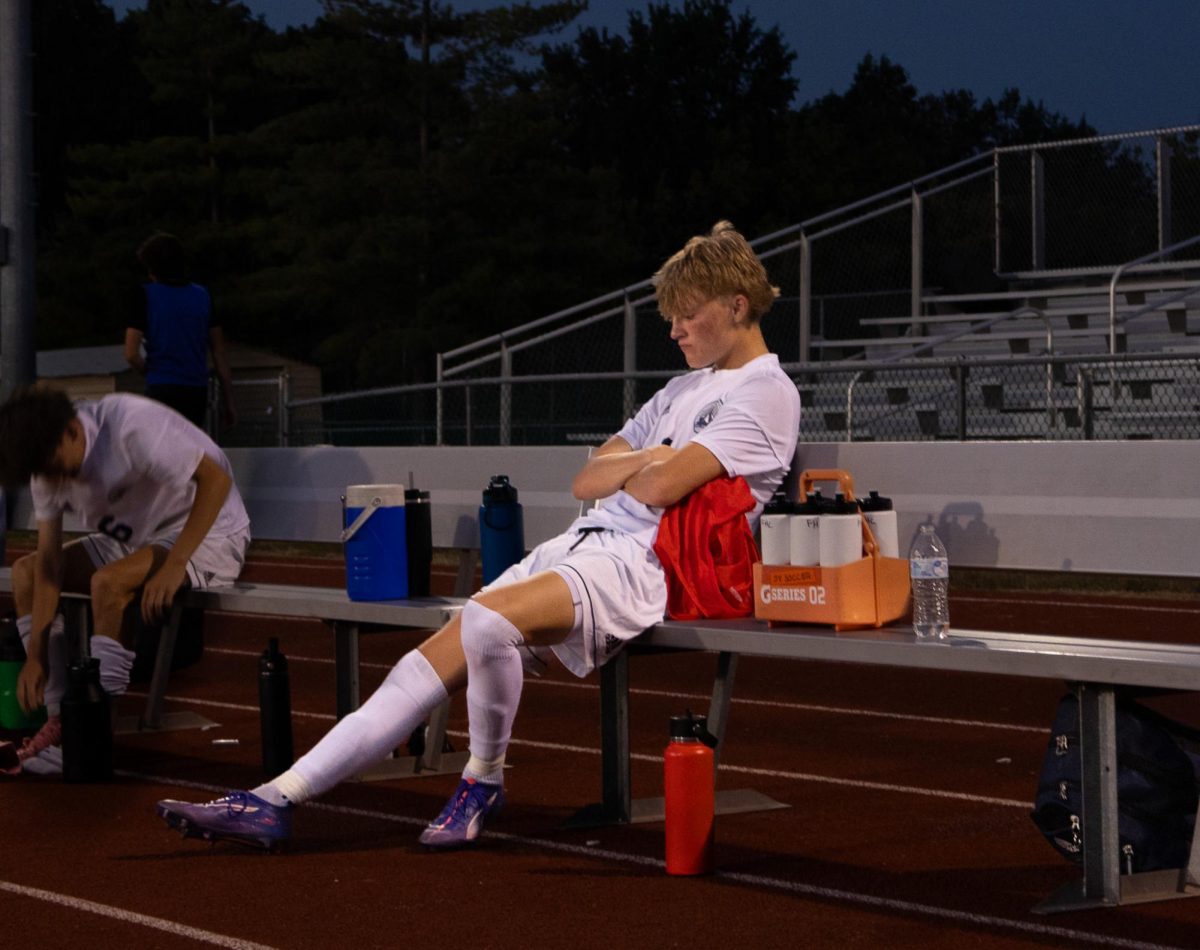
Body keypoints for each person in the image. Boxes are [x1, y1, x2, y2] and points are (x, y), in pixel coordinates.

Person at [155, 220, 801, 851]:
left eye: (687, 315)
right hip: (585, 544)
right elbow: (588, 480)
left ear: (736, 305)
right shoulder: (685, 387)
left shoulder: (768, 392)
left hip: (645, 564)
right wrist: (651, 461)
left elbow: (658, 491)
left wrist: (642, 468)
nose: (674, 329)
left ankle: (483, 779)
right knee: (427, 659)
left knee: (488, 624)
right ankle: (274, 799)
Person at [0, 387, 251, 774]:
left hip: (210, 532)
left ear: (69, 430)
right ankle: (60, 723)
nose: (53, 478)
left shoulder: (129, 426)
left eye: (54, 465)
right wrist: (34, 655)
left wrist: (174, 564)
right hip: (140, 540)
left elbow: (215, 482)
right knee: (26, 572)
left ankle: (95, 731)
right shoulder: (45, 462)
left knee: (108, 583)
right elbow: (50, 565)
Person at [125, 231, 237, 432]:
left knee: (160, 454)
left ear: (153, 268)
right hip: (196, 391)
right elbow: (219, 352)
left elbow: (131, 353)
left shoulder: (145, 295)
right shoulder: (202, 296)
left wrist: (148, 371)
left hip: (162, 386)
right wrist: (229, 402)